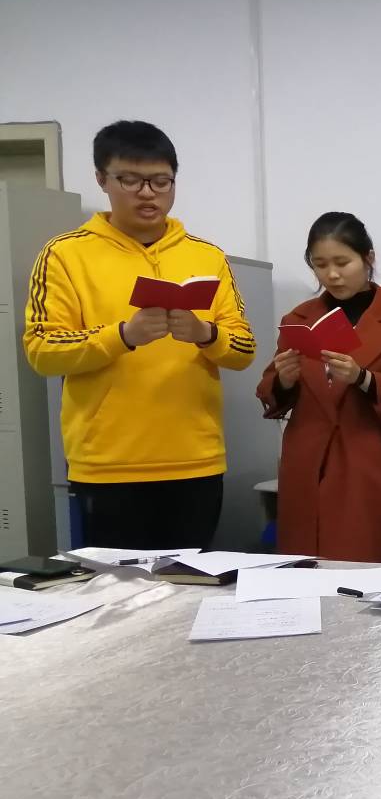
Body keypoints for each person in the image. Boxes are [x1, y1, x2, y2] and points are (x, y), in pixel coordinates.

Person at [23, 119, 256, 550]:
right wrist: (122, 336)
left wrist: (205, 333)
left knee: (189, 584)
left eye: (161, 181)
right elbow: (42, 350)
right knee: (118, 589)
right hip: (108, 467)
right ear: (102, 179)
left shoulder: (207, 256)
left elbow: (244, 349)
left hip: (196, 462)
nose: (148, 193)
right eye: (130, 180)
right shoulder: (65, 255)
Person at [256, 212, 381, 562]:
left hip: (368, 466)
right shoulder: (298, 319)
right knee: (304, 568)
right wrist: (284, 379)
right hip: (308, 464)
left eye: (342, 262)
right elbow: (267, 390)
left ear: (368, 258)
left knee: (365, 570)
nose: (332, 275)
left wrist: (364, 378)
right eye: (320, 265)